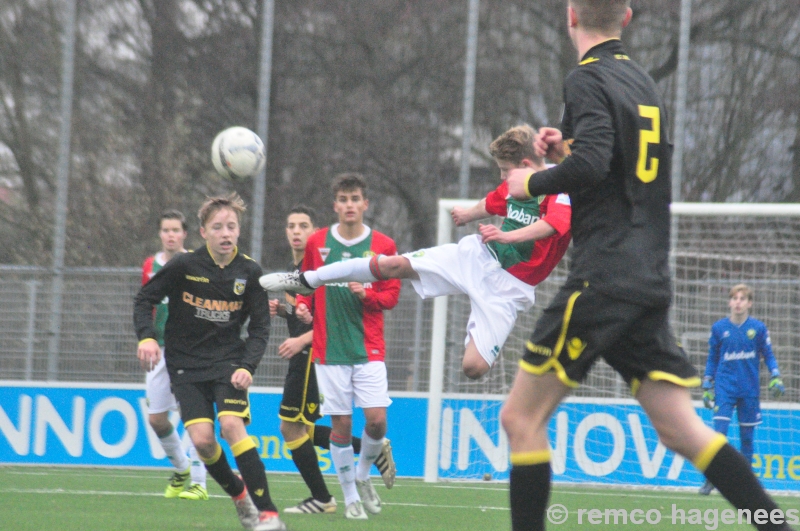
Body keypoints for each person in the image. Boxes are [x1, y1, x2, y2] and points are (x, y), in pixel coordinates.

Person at [501, 2, 795, 530]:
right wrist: (563, 146)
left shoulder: (586, 79)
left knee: (520, 418)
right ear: (628, 16)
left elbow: (591, 165)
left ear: (571, 15)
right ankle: (774, 525)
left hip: (602, 279)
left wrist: (533, 180)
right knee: (682, 430)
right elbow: (618, 166)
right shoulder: (640, 82)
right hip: (647, 277)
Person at [260, 125, 571, 381]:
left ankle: (480, 319)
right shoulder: (514, 185)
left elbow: (551, 226)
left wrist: (506, 234)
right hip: (476, 258)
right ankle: (308, 278)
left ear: (527, 166)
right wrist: (467, 214)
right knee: (396, 264)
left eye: (506, 171)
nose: (503, 178)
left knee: (473, 368)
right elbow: (491, 203)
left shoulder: (561, 187)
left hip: (509, 289)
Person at [134, 193, 285, 531]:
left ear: (238, 231)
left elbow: (260, 328)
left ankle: (269, 514)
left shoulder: (249, 272)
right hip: (185, 365)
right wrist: (146, 336)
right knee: (202, 441)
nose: (225, 232)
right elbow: (145, 298)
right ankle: (238, 495)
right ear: (203, 232)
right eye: (218, 227)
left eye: (231, 226)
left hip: (228, 362)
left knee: (232, 426)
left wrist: (248, 365)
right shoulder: (184, 266)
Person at [266, 173, 400, 520]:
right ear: (335, 205)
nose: (349, 205)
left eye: (355, 199)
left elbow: (391, 296)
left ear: (365, 204)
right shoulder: (318, 243)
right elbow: (307, 286)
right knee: (340, 426)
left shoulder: (384, 245)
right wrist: (301, 310)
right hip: (329, 350)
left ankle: (363, 474)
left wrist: (366, 294)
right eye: (343, 199)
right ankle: (350, 497)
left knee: (376, 422)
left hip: (368, 347)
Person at [141, 209, 208, 501]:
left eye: (175, 230)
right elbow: (146, 303)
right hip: (160, 349)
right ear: (160, 234)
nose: (170, 235)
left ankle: (199, 483)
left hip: (189, 350)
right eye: (165, 230)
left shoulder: (194, 263)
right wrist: (147, 337)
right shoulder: (150, 265)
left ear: (184, 234)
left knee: (193, 416)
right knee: (157, 419)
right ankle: (181, 468)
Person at [698, 284, 785, 495]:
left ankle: (746, 484)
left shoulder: (758, 328)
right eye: (734, 298)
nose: (738, 302)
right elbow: (713, 358)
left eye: (742, 298)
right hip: (725, 387)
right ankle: (712, 479)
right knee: (718, 435)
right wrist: (707, 384)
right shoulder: (719, 328)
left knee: (747, 437)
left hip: (749, 389)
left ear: (749, 303)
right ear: (729, 302)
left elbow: (769, 354)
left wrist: (775, 375)